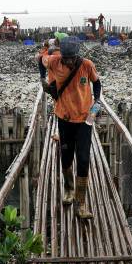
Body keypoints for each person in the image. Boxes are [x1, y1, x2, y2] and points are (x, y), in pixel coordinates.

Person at [40, 36, 102, 219]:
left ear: (77, 56)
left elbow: (97, 83)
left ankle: (81, 204)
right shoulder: (53, 61)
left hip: (84, 119)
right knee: (66, 155)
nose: (68, 61)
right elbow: (40, 59)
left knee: (83, 159)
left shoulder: (86, 65)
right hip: (64, 118)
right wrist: (42, 79)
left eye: (71, 58)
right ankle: (68, 188)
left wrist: (96, 103)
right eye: (65, 58)